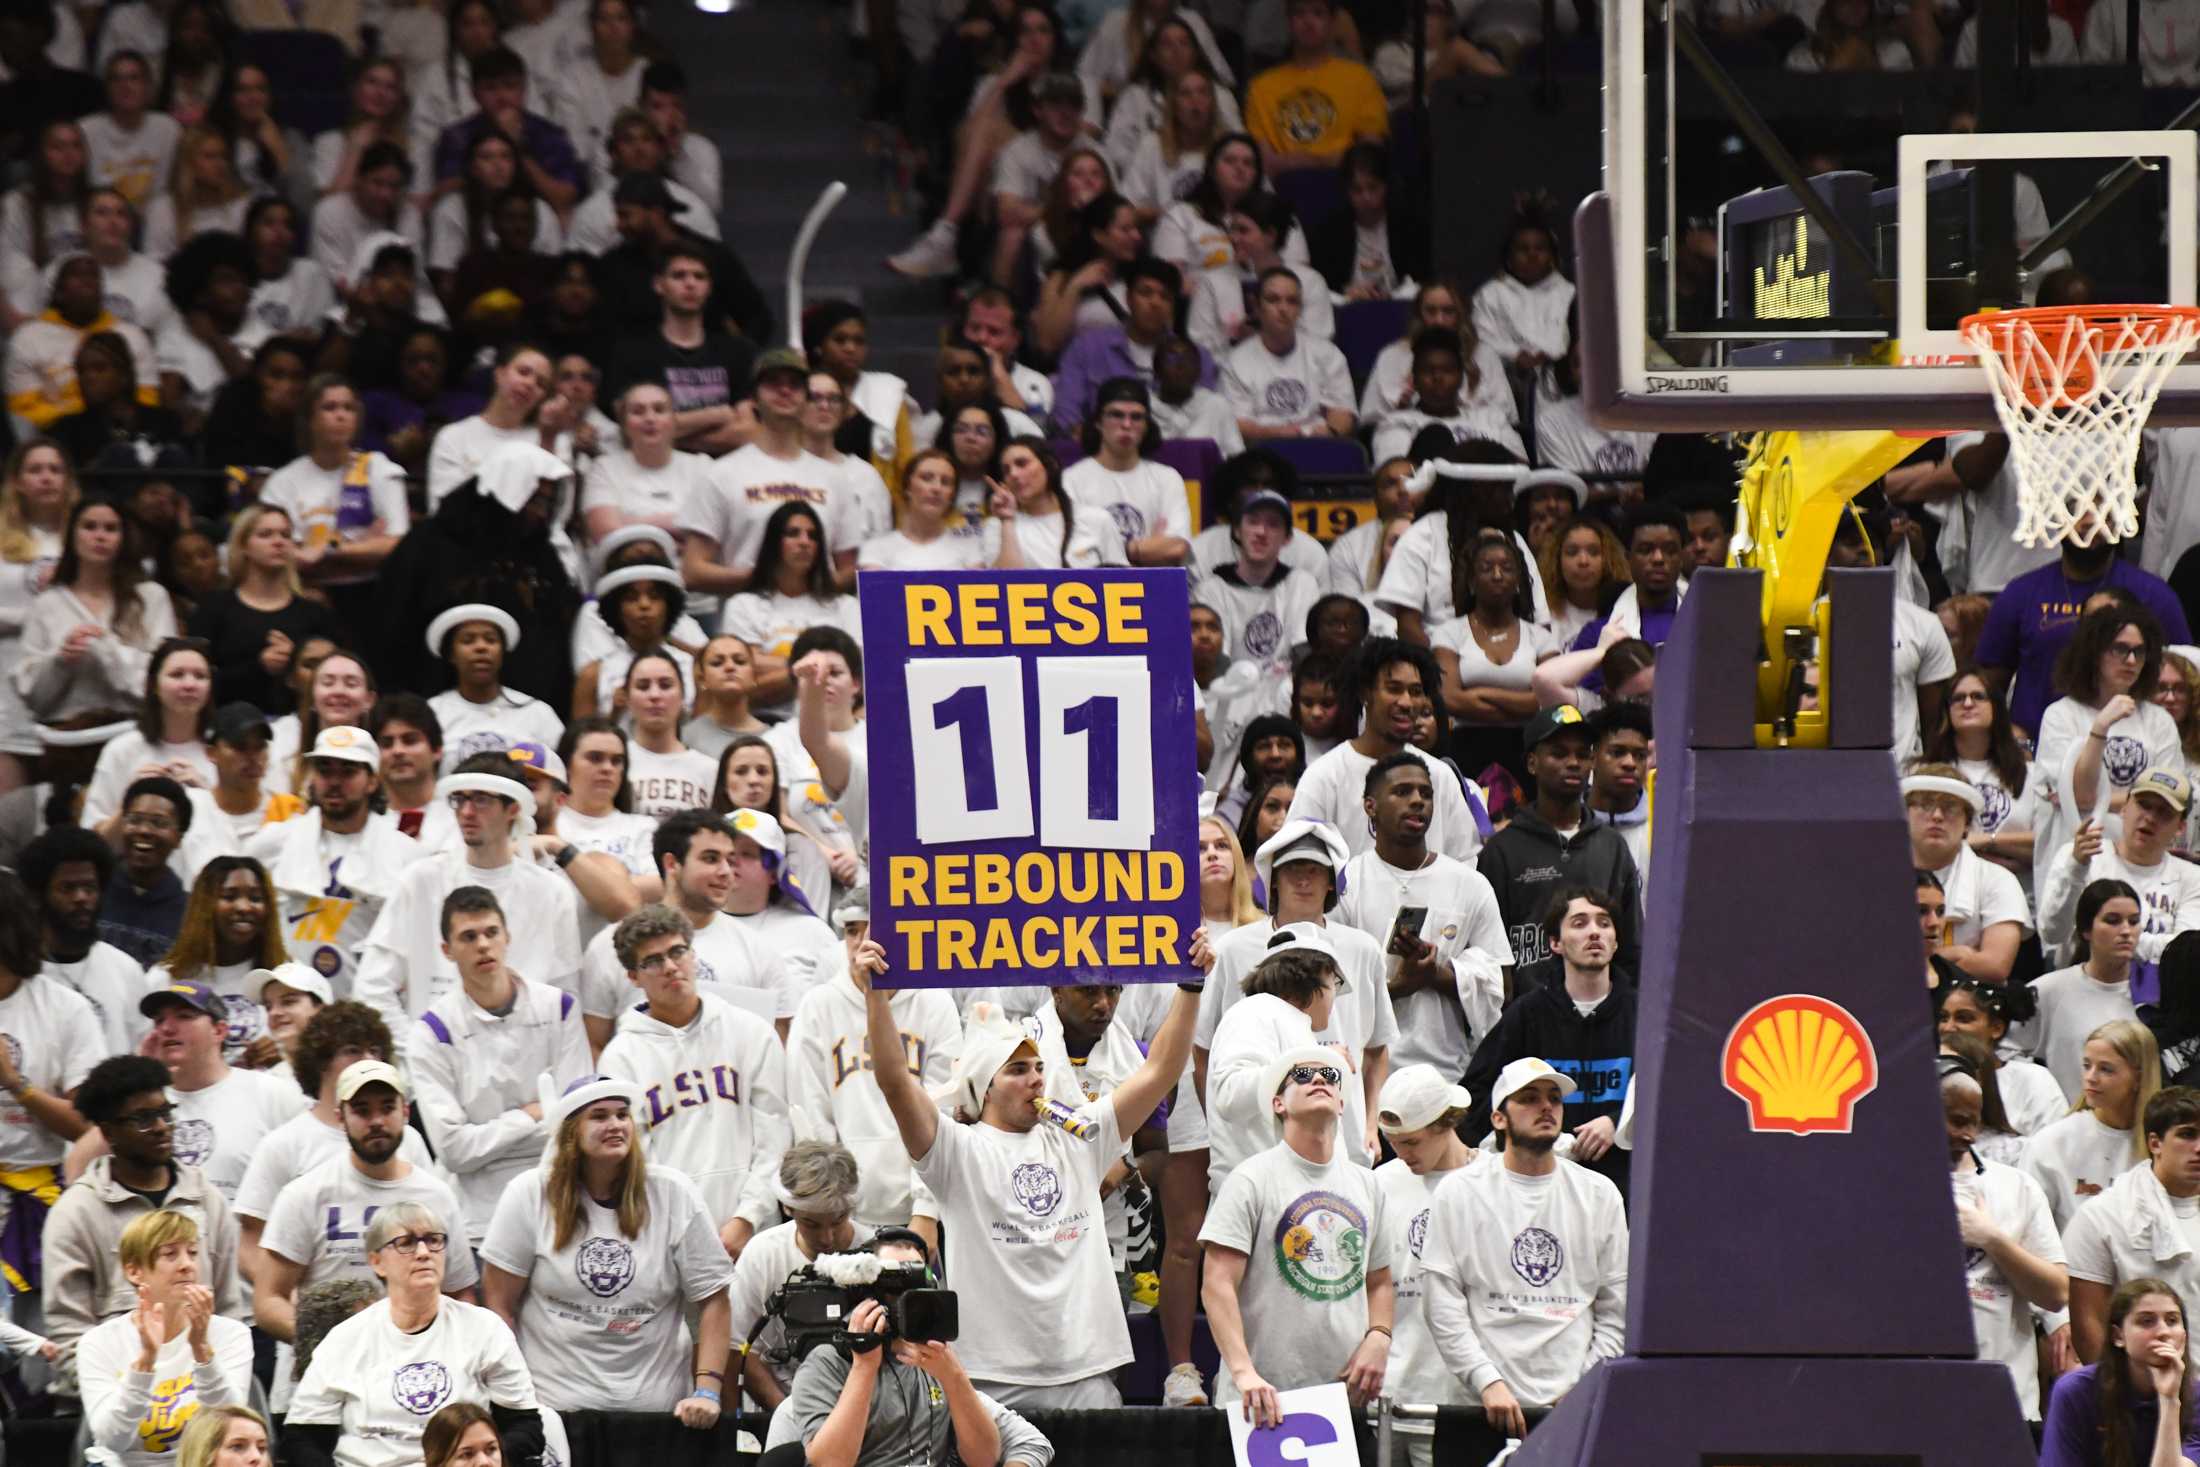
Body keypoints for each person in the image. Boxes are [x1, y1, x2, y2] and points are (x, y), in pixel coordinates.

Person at [853, 917, 1199, 1411]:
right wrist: (876, 996)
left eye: (1039, 1067)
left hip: (1087, 1370)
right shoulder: (956, 1151)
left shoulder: (1080, 1139)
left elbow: (1161, 1069)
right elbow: (893, 1079)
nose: (1037, 1079)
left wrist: (1189, 983)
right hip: (991, 1379)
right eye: (1018, 1070)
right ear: (984, 1087)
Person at [481, 1072, 733, 1424]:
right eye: (599, 1116)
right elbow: (498, 1306)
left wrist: (707, 1390)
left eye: (622, 1114)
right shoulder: (528, 1194)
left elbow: (715, 1300)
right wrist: (513, 1401)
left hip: (654, 1414)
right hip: (554, 1410)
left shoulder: (674, 1193)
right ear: (571, 1133)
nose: (615, 1124)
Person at [1420, 1057, 1627, 1448]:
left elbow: (1616, 1310)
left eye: (1554, 1098)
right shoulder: (1459, 1191)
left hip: (1574, 1409)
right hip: (1478, 1407)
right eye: (1529, 1098)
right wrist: (1487, 1381)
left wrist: (1582, 1390)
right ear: (1499, 1118)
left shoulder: (1600, 1194)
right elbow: (1442, 1303)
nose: (1546, 1107)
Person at [256, 1062, 482, 1409]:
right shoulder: (305, 1194)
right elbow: (268, 1300)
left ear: (405, 1112)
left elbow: (460, 1292)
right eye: (361, 1111)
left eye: (387, 1108)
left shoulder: (436, 1195)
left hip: (416, 1381)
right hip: (323, 1387)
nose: (376, 1120)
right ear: (340, 1117)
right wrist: (330, 1344)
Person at [1201, 1032, 1394, 1427]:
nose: (1319, 1078)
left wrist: (1380, 1336)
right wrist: (1242, 1373)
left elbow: (1379, 1280)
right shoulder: (1250, 1179)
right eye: (1302, 1075)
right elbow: (1216, 1284)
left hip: (1344, 1397)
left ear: (1342, 1104)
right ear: (1278, 1103)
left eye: (1330, 1075)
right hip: (1261, 1400)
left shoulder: (1369, 1184)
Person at [355, 752, 582, 1056]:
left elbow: (564, 1000)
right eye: (459, 800)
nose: (466, 812)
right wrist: (422, 1050)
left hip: (526, 1070)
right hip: (435, 1067)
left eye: (481, 800)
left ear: (512, 808)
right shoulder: (419, 880)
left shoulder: (551, 892)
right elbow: (372, 986)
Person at [598, 903, 791, 1260]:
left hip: (756, 1235)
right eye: (653, 961)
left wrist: (746, 1219)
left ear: (692, 953)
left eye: (677, 952)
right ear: (633, 977)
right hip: (669, 1241)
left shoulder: (750, 1032)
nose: (670, 966)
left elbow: (774, 1136)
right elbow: (634, 1162)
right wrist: (681, 1232)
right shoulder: (621, 1056)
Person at [760, 1231, 1053, 1467]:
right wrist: (864, 1365)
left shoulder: (934, 1359)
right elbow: (830, 1463)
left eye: (918, 1287)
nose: (907, 1300)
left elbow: (984, 1460)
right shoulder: (827, 1363)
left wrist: (953, 1379)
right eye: (895, 1287)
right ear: (867, 1292)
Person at [286, 1200, 543, 1467]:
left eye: (433, 1241)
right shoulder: (344, 1340)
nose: (423, 1252)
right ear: (377, 1262)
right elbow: (302, 1440)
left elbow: (525, 1428)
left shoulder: (485, 1329)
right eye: (406, 1243)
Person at [40, 1053, 239, 1392]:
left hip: (201, 1395)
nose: (162, 1127)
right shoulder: (76, 1211)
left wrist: (207, 1382)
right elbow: (68, 1331)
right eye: (143, 1119)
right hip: (111, 1400)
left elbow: (230, 1310)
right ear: (108, 1131)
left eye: (164, 1113)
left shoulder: (206, 1197)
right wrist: (130, 1393)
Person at [412, 887, 590, 1244]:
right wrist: (531, 1115)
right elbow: (455, 1152)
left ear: (507, 937)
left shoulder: (560, 1008)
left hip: (565, 1206)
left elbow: (578, 1123)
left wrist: (488, 1136)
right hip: (481, 1225)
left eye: (491, 933)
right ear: (447, 951)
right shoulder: (432, 1032)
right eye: (468, 937)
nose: (483, 945)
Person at [785, 904, 964, 1237]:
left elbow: (942, 1115)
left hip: (921, 1210)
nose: (862, 940)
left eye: (872, 927)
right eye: (852, 930)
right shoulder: (817, 1006)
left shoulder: (935, 1003)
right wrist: (831, 1210)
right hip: (843, 1215)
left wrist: (926, 1211)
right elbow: (810, 1115)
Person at [1334, 752, 1509, 1084]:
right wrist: (1399, 987)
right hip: (1367, 1077)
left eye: (1425, 794)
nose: (1417, 801)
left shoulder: (1469, 883)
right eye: (1402, 792)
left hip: (1450, 1075)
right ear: (1370, 806)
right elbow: (1328, 986)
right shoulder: (1346, 884)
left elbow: (1504, 983)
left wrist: (1437, 975)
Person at [1461, 886, 1637, 1189]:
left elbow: (1671, 1094)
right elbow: (1479, 1093)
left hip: (1627, 1185)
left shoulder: (1645, 1015)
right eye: (1580, 923)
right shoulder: (1527, 1014)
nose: (1594, 932)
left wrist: (1619, 1122)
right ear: (1555, 943)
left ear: (1616, 941)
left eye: (1604, 923)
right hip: (1544, 1184)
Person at [578, 808, 790, 1049]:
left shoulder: (759, 951)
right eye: (711, 859)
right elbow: (594, 1046)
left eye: (729, 861)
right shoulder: (609, 946)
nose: (726, 872)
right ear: (672, 864)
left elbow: (777, 1043)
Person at [1941, 1055, 2069, 1422]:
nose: (1969, 1134)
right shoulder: (1891, 1189)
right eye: (1956, 1121)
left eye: (1974, 1121)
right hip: (1917, 1400)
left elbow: (2056, 1293)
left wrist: (1992, 1238)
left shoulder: (2016, 1187)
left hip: (2006, 1405)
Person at [78, 1208, 254, 1466]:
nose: (187, 1265)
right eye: (170, 1254)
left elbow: (230, 1428)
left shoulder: (231, 1334)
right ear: (134, 1272)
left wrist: (202, 1351)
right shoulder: (98, 1342)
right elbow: (111, 1441)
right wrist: (146, 1363)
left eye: (192, 1252)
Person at [1477, 707, 1643, 978]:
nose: (1574, 762)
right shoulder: (1501, 851)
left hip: (1600, 1012)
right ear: (1532, 763)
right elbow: (1487, 957)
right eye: (1559, 753)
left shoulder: (1612, 846)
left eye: (1582, 754)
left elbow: (1631, 948)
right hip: (1526, 1015)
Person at [1290, 637, 1488, 862]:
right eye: (1394, 689)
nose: (1406, 702)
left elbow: (1466, 865)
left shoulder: (1441, 776)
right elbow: (1299, 861)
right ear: (1365, 693)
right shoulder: (1324, 776)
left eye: (1415, 691)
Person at [1370, 1066, 1478, 1465]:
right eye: (1394, 1143)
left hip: (1461, 1398)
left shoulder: (1488, 1180)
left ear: (1445, 1122)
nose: (1403, 1154)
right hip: (1388, 1396)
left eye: (1411, 1142)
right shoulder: (1381, 1184)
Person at [678, 346, 843, 602]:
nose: (785, 390)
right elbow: (692, 570)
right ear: (753, 398)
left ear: (806, 398)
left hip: (820, 624)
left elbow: (850, 568)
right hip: (747, 623)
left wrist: (805, 583)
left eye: (795, 384)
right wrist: (763, 577)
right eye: (773, 383)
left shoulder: (834, 478)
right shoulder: (721, 473)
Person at [725, 1140, 875, 1409]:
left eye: (838, 1220)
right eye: (811, 1224)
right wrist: (789, 1417)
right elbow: (740, 1350)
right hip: (786, 1402)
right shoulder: (762, 1254)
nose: (827, 1238)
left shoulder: (875, 1255)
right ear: (787, 1208)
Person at [2040, 604, 2184, 866]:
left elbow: (2167, 801)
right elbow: (2080, 796)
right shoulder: (2060, 716)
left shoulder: (2158, 721)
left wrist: (2100, 799)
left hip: (2139, 860)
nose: (2130, 661)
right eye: (2120, 649)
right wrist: (2101, 726)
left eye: (2139, 652)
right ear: (2094, 652)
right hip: (2077, 857)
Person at [14, 496, 176, 729]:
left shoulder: (151, 597)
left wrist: (104, 649)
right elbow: (32, 696)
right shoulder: (47, 603)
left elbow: (163, 679)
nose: (100, 536)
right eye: (89, 527)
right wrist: (61, 660)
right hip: (63, 735)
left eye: (110, 528)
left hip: (134, 732)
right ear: (72, 535)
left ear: (123, 538)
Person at [2068, 1087, 2200, 1365]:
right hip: (2136, 1393)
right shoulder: (2103, 1216)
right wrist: (2120, 1396)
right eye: (2187, 1134)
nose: (2198, 1148)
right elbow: (2087, 1323)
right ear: (2155, 1143)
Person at [604, 244, 756, 458]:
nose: (690, 283)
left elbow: (746, 433)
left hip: (723, 476)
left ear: (709, 287)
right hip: (654, 472)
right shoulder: (632, 352)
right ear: (659, 284)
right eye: (679, 276)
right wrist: (718, 414)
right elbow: (630, 430)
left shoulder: (737, 351)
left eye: (699, 276)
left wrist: (667, 434)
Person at [2042, 771, 2200, 968]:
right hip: (2081, 986)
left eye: (2164, 812)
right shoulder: (2079, 856)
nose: (2150, 818)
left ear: (2180, 828)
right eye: (2144, 805)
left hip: (2160, 995)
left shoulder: (2192, 878)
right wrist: (2076, 870)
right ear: (2124, 808)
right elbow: (2052, 932)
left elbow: (2185, 953)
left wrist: (2103, 939)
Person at [2039, 1276, 2200, 1467]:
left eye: (2172, 1320)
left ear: (2184, 1334)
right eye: (2147, 1321)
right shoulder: (2075, 1391)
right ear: (2118, 1336)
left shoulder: (2195, 1396)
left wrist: (2169, 1400)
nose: (2163, 1332)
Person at [1904, 765, 2032, 984]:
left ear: (1967, 824)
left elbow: (1995, 967)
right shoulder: (1879, 877)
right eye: (1925, 805)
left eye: (1950, 807)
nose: (1936, 815)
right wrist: (1962, 954)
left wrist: (1908, 960)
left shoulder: (1998, 880)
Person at [22, 826, 143, 1054]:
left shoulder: (126, 969)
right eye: (68, 888)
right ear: (39, 895)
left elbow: (142, 1050)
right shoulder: (21, 973)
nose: (81, 898)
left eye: (90, 887)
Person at [81, 635, 214, 833]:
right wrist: (132, 800)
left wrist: (206, 798)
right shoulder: (121, 750)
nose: (190, 685)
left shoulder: (223, 750)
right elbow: (94, 841)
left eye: (200, 676)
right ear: (153, 686)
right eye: (177, 675)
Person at [1923, 668, 2046, 880]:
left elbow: (2044, 844)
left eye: (1978, 696)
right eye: (1958, 698)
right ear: (1947, 711)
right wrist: (2012, 848)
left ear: (1996, 707)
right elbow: (1924, 845)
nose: (1968, 704)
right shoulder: (1927, 774)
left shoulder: (2031, 774)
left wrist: (1985, 840)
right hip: (1945, 892)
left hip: (2022, 895)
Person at [1243, 0, 1387, 172]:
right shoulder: (1261, 87)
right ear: (1288, 21)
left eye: (1318, 13)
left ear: (1333, 22)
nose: (1308, 22)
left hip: (1344, 184)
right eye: (1299, 13)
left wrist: (1312, 161)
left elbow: (1370, 153)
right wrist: (1330, 159)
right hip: (1284, 186)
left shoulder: (1362, 79)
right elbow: (1262, 162)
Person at [423, 602, 566, 766]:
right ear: (451, 655)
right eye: (467, 640)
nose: (481, 647)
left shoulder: (537, 713)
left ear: (502, 652)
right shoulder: (432, 712)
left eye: (490, 640)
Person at [1221, 267, 1355, 441]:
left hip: (1316, 446)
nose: (1283, 308)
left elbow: (1343, 412)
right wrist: (1280, 434)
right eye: (1273, 300)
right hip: (1260, 450)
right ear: (1256, 305)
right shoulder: (1235, 361)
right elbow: (1237, 424)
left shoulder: (1327, 354)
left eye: (1292, 301)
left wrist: (1330, 433)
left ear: (1300, 308)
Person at [1369, 330, 1526, 465]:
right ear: (1414, 379)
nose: (1437, 377)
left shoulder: (1492, 419)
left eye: (1447, 370)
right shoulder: (1395, 424)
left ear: (1461, 377)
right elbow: (1400, 476)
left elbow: (1521, 468)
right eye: (1428, 370)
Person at [1937, 969, 2064, 1134]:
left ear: (1996, 1028)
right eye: (1944, 1018)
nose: (1948, 1027)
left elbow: (2053, 1147)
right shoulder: (1925, 1074)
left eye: (1963, 1018)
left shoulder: (2033, 1080)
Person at [1472, 202, 1575, 377]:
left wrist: (1551, 356)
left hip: (1559, 381)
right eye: (1523, 249)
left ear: (1552, 255)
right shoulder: (1490, 294)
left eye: (1540, 248)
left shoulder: (1569, 294)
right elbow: (1481, 337)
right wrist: (1515, 355)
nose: (1532, 255)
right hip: (1505, 378)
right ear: (1509, 256)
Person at [103, 776, 192, 965]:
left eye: (159, 823)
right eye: (135, 820)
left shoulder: (190, 913)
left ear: (179, 837)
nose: (144, 830)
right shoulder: (94, 892)